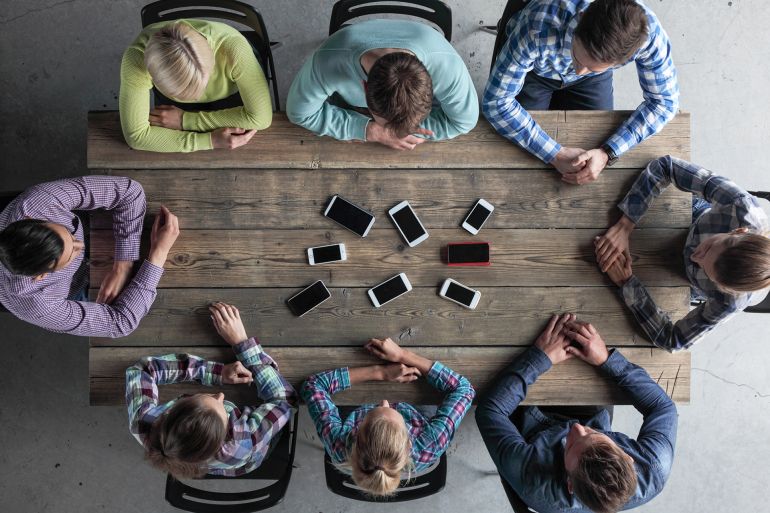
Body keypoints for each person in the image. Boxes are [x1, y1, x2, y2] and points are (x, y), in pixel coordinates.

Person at [476, 313, 678, 513]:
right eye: (594, 435)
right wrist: (606, 359)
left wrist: (540, 357)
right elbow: (663, 408)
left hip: (532, 426)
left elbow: (490, 412)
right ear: (628, 458)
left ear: (569, 484)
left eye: (570, 445)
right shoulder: (654, 467)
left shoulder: (534, 481)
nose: (577, 427)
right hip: (593, 414)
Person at [483, 0, 679, 185]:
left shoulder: (648, 36)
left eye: (592, 67)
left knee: (591, 138)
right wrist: (554, 154)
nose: (579, 71)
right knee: (517, 153)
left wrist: (608, 152)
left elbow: (665, 104)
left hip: (591, 83)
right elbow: (496, 103)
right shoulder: (537, 26)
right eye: (578, 58)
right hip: (535, 72)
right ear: (580, 19)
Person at [594, 155, 770, 351]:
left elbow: (673, 341)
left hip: (685, 280)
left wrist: (627, 284)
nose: (696, 257)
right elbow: (666, 166)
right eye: (710, 247)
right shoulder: (742, 206)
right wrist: (625, 224)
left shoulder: (730, 302)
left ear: (723, 288)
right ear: (738, 231)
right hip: (692, 217)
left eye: (707, 270)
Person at [126, 302, 298, 478]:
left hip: (204, 465)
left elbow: (142, 370)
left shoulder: (144, 424)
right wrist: (242, 344)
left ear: (172, 410)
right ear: (227, 433)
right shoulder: (242, 441)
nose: (221, 394)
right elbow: (287, 399)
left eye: (207, 397)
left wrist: (218, 373)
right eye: (223, 410)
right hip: (245, 459)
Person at [0, 176, 179, 338]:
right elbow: (120, 323)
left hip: (94, 227)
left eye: (69, 235)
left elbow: (130, 192)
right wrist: (158, 255)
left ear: (31, 218)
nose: (80, 245)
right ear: (40, 276)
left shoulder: (39, 202)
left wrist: (123, 266)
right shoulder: (33, 303)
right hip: (71, 288)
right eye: (70, 255)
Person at [301, 337, 475, 496]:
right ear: (409, 442)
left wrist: (380, 372)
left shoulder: (339, 444)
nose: (384, 401)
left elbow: (313, 385)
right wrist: (402, 355)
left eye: (373, 412)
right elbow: (464, 390)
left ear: (356, 434)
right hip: (417, 410)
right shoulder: (431, 443)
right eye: (393, 411)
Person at [286, 19, 478, 151]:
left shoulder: (447, 65)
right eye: (385, 124)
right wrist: (371, 131)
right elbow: (299, 113)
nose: (392, 132)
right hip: (344, 48)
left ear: (431, 84)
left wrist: (401, 131)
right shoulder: (328, 61)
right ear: (364, 88)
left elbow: (465, 121)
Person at [120, 19, 273, 153]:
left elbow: (261, 118)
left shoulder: (234, 48)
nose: (197, 97)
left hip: (231, 93)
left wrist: (185, 120)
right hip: (173, 107)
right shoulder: (135, 58)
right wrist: (209, 141)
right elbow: (136, 136)